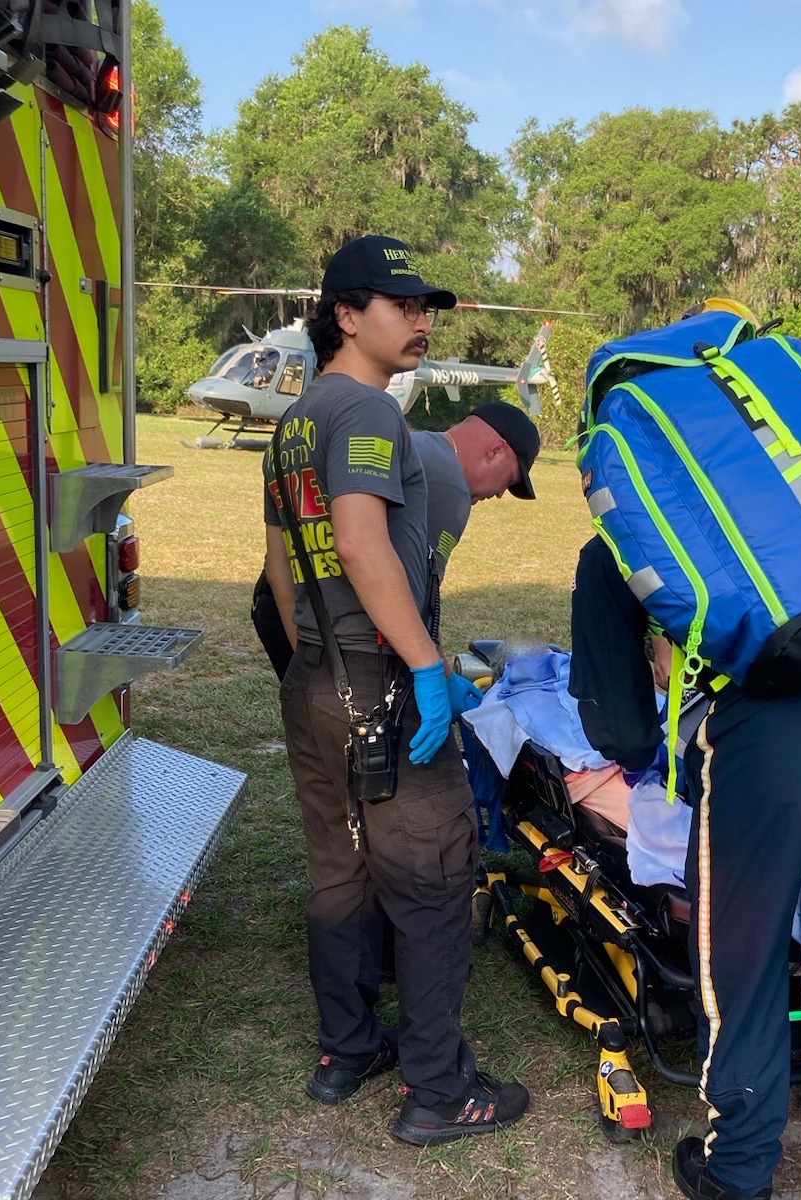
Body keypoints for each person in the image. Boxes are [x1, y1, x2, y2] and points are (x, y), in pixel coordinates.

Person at [570, 463, 801, 1195]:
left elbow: (618, 726)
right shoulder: (799, 493)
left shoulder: (633, 528)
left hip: (765, 732)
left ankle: (737, 1170)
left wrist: (649, 753)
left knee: (741, 957)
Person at [262, 233, 530, 1145]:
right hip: (379, 681)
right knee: (430, 878)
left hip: (315, 681)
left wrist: (318, 662)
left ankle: (346, 1050)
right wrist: (421, 667)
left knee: (340, 872)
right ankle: (439, 1090)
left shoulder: (297, 418)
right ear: (346, 313)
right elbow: (363, 544)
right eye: (403, 306)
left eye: (427, 309)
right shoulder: (370, 414)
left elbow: (282, 573)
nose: (420, 322)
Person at [254, 402, 541, 684]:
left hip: (286, 601)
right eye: (511, 478)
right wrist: (443, 677)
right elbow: (419, 603)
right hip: (331, 627)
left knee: (311, 720)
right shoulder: (449, 486)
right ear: (496, 450)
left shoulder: (415, 445)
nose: (502, 493)